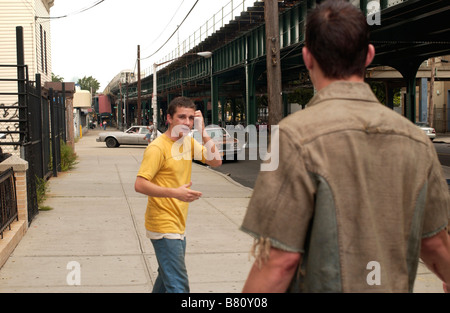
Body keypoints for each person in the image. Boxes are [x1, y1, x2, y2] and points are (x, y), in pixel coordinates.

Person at [240, 0, 450, 293]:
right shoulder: (416, 140)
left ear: (307, 58)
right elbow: (435, 244)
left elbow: (280, 261)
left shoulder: (295, 136)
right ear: (369, 56)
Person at [135, 96, 221, 293]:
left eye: (191, 118)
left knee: (167, 280)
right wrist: (175, 193)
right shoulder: (157, 147)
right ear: (169, 118)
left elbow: (216, 161)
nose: (187, 122)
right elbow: (140, 184)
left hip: (179, 223)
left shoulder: (188, 143)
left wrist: (203, 131)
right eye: (181, 117)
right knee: (178, 286)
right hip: (163, 224)